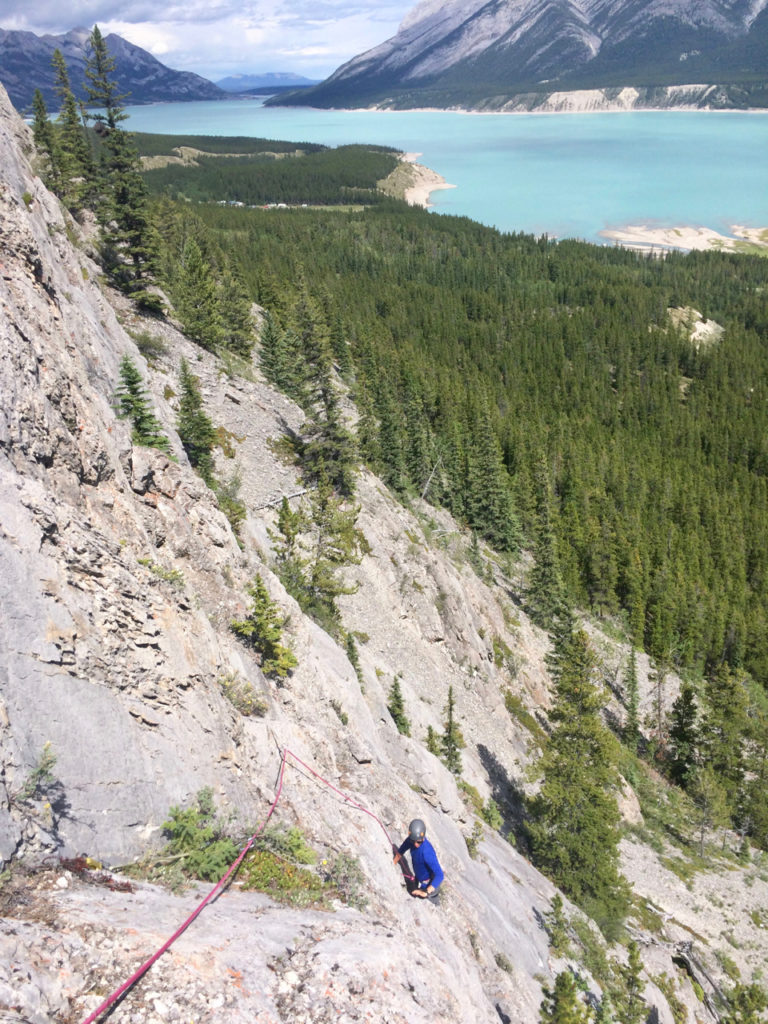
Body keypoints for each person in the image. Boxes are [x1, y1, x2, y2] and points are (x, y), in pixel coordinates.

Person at [393, 818, 443, 899]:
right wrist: (392, 865)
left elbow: (440, 875)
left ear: (423, 837)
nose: (416, 844)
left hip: (430, 886)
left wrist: (425, 892)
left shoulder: (427, 852)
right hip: (419, 879)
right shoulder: (411, 840)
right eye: (414, 841)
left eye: (419, 842)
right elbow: (401, 851)